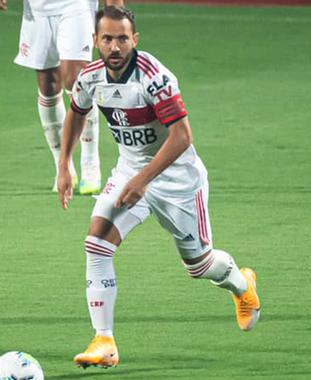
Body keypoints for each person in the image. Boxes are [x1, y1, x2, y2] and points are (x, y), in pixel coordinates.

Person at [57, 5, 261, 369]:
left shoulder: (154, 78)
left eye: (122, 38)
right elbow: (76, 110)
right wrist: (65, 165)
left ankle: (243, 285)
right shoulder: (90, 77)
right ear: (95, 41)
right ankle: (105, 341)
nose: (115, 46)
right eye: (107, 39)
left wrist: (143, 180)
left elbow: (182, 137)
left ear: (135, 40)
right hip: (130, 174)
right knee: (97, 243)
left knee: (198, 265)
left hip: (178, 181)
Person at [1, 0, 124, 194]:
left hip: (76, 5)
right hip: (37, 10)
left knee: (76, 80)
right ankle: (63, 166)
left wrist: (114, 8)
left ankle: (90, 162)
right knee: (48, 85)